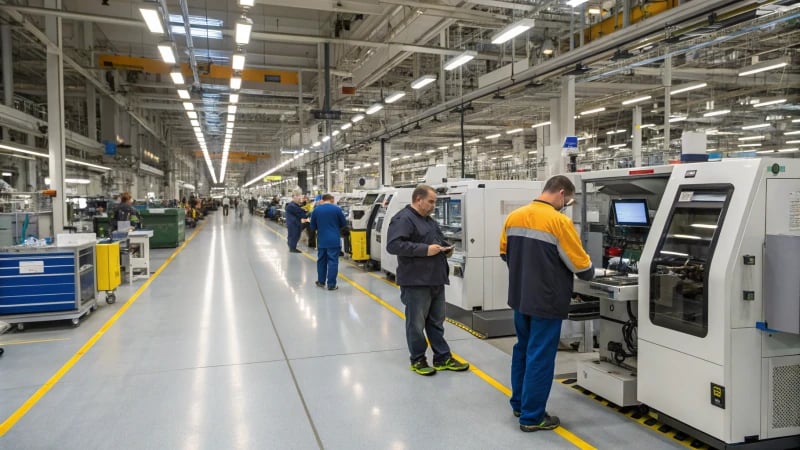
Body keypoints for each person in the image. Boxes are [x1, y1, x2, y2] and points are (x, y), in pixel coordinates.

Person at [500, 175, 594, 433]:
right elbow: (581, 266)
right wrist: (595, 272)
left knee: (523, 349)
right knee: (541, 355)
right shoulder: (559, 221)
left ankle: (520, 404)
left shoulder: (514, 217)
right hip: (546, 301)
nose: (567, 205)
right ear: (561, 194)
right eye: (569, 200)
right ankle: (532, 417)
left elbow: (504, 253)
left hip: (520, 297)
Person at [386, 184, 470, 376]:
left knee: (436, 322)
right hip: (416, 282)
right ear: (418, 199)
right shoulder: (403, 219)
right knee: (416, 324)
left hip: (435, 279)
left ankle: (442, 357)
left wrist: (445, 248)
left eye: (434, 202)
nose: (433, 205)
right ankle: (418, 359)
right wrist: (425, 250)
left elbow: (436, 241)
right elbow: (393, 245)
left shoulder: (429, 221)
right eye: (431, 202)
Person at [310, 194, 347, 290]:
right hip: (334, 240)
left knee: (321, 261)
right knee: (333, 262)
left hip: (321, 240)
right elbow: (343, 224)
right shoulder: (337, 209)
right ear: (331, 199)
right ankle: (331, 285)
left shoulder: (316, 210)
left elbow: (312, 227)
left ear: (323, 200)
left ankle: (321, 282)